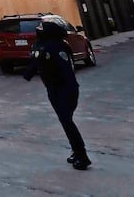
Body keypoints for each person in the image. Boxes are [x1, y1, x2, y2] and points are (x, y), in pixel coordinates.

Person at [23, 20, 91, 170]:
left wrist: (68, 88)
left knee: (67, 121)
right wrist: (28, 74)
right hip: (52, 89)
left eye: (41, 28)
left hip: (66, 89)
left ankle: (82, 155)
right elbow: (36, 62)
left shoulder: (58, 46)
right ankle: (76, 150)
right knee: (65, 121)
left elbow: (66, 70)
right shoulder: (40, 45)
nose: (38, 30)